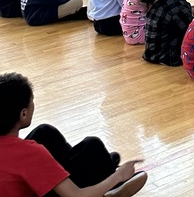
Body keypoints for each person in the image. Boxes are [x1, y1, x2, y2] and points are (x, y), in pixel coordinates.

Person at [0, 72, 147, 197]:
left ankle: (101, 164)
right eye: (32, 102)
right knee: (92, 145)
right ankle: (110, 180)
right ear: (23, 114)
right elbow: (76, 195)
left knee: (45, 132)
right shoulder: (30, 153)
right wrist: (119, 175)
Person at [141, 0, 194, 67]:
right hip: (169, 57)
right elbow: (192, 31)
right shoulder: (177, 6)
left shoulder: (162, 0)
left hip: (152, 53)